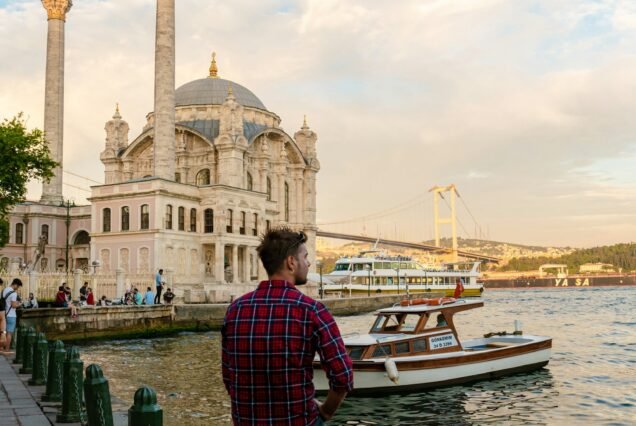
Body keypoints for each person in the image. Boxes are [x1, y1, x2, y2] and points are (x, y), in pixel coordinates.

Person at [222, 227, 353, 425]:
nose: (309, 263)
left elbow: (229, 377)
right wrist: (325, 412)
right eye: (305, 257)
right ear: (291, 262)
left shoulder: (234, 311)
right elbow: (343, 377)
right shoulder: (312, 311)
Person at [1, 278, 23, 353]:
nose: (18, 288)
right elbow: (13, 305)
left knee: (2, 332)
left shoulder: (4, 290)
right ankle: (6, 349)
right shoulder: (13, 293)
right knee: (9, 333)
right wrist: (19, 304)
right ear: (15, 285)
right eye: (18, 286)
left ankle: (1, 348)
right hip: (11, 315)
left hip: (3, 314)